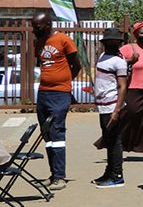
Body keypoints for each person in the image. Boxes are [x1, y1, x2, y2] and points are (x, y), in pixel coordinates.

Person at [31, 12, 80, 190]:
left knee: (57, 132)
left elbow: (77, 64)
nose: (34, 30)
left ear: (48, 24)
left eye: (38, 27)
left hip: (60, 94)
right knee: (47, 135)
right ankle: (53, 174)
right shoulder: (38, 42)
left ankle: (60, 177)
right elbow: (42, 64)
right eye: (33, 26)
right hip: (43, 93)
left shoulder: (63, 40)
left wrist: (65, 82)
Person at [91, 27, 129, 188]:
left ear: (119, 43)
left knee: (115, 141)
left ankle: (117, 175)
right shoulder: (102, 57)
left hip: (112, 106)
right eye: (109, 41)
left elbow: (122, 87)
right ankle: (109, 171)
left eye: (115, 42)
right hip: (102, 106)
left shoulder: (119, 62)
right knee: (108, 140)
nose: (111, 44)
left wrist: (117, 110)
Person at [118, 21, 143, 155]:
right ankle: (118, 143)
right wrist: (129, 61)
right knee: (131, 117)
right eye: (142, 32)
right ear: (136, 34)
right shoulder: (128, 48)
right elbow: (115, 63)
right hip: (133, 90)